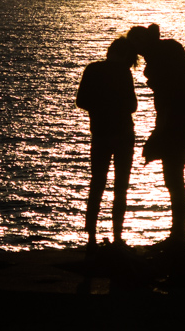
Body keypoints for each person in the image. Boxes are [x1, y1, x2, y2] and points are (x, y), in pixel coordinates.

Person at [126, 24, 185, 253]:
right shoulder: (167, 51)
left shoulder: (161, 56)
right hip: (182, 122)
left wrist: (159, 133)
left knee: (174, 179)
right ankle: (178, 235)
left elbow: (170, 97)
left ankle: (179, 237)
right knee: (174, 179)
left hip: (176, 124)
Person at [76, 37, 138, 251]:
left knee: (97, 184)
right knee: (121, 187)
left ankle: (91, 236)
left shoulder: (92, 69)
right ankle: (118, 237)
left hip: (100, 134)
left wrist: (99, 107)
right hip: (123, 134)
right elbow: (132, 105)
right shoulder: (123, 72)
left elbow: (81, 101)